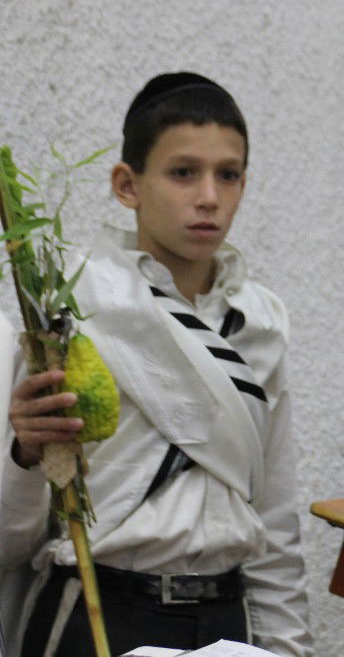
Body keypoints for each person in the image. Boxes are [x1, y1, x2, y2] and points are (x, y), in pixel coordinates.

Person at [1, 74, 312, 656]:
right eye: (183, 172)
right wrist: (23, 451)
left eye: (228, 174)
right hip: (94, 611)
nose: (209, 197)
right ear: (127, 184)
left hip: (226, 622)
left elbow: (274, 518)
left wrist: (287, 647)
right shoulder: (67, 304)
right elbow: (6, 541)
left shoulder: (259, 322)